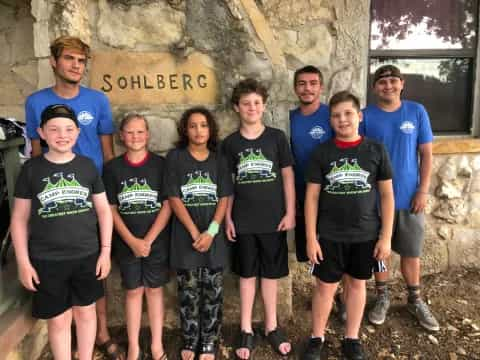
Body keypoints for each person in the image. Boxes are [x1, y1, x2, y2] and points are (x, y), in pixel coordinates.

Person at [24, 35, 120, 358]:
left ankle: (100, 333)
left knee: (94, 271)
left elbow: (108, 153)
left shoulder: (97, 100)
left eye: (81, 61)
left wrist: (109, 201)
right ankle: (69, 340)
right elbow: (36, 157)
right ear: (54, 62)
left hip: (92, 197)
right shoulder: (36, 102)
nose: (76, 66)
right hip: (55, 203)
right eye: (69, 59)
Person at [11, 104, 112, 360]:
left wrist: (105, 252)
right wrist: (23, 262)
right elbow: (20, 219)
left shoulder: (87, 166)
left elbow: (103, 211)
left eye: (68, 129)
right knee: (58, 320)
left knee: (86, 313)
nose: (62, 135)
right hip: (47, 259)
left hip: (87, 255)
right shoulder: (31, 170)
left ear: (77, 132)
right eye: (54, 129)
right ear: (41, 133)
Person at [302, 91, 394, 360]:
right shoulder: (322, 152)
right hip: (329, 234)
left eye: (348, 113)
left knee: (357, 285)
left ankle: (351, 338)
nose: (342, 120)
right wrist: (310, 237)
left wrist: (385, 237)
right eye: (336, 115)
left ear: (359, 116)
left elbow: (387, 195)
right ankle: (316, 337)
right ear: (330, 120)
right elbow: (312, 197)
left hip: (366, 234)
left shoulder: (375, 149)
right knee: (325, 287)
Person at [222, 78, 295, 359]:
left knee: (271, 275)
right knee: (247, 275)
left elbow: (287, 176)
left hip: (273, 220)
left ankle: (271, 325)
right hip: (242, 221)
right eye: (245, 103)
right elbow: (227, 186)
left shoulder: (276, 138)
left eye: (256, 102)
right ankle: (246, 329)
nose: (251, 107)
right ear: (236, 108)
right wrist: (228, 218)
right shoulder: (230, 144)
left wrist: (290, 212)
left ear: (263, 106)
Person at [363, 65, 439, 331]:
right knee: (379, 252)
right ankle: (382, 296)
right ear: (375, 88)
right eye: (382, 82)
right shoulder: (365, 116)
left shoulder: (416, 112)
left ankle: (414, 299)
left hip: (409, 197)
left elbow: (427, 154)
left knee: (411, 251)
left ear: (402, 84)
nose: (388, 86)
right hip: (374, 199)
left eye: (393, 81)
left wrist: (423, 189)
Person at [165, 107, 233, 360]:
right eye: (193, 125)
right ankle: (191, 338)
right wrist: (195, 232)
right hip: (186, 238)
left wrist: (212, 232)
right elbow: (173, 196)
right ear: (185, 130)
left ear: (211, 129)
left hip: (213, 238)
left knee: (213, 292)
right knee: (189, 292)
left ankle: (209, 341)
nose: (198, 130)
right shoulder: (176, 157)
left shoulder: (219, 160)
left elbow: (225, 196)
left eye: (203, 125)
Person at [103, 114, 171, 360]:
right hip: (126, 241)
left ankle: (156, 345)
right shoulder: (112, 168)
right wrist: (132, 241)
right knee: (133, 291)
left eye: (140, 132)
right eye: (130, 132)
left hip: (156, 241)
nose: (135, 137)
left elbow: (168, 205)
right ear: (121, 136)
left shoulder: (160, 165)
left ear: (148, 134)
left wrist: (148, 240)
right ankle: (133, 346)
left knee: (154, 290)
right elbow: (110, 208)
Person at [290, 65, 332, 262]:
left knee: (334, 248)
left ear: (321, 87)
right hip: (301, 194)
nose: (307, 88)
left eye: (313, 83)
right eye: (302, 84)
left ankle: (337, 290)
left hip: (332, 193)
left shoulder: (332, 115)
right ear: (295, 88)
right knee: (309, 250)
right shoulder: (289, 118)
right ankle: (321, 289)